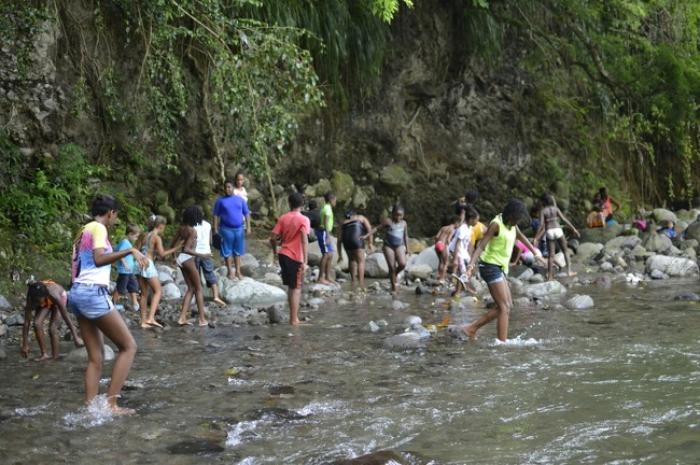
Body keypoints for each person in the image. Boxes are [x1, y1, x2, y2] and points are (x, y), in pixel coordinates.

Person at [68, 194, 148, 415]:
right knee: (129, 346)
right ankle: (111, 405)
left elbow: (79, 265)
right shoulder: (99, 228)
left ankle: (90, 408)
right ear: (111, 213)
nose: (115, 220)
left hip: (77, 292)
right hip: (92, 293)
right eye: (116, 216)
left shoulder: (83, 229)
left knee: (96, 358)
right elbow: (99, 259)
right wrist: (130, 250)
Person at [462, 199, 542, 342]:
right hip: (489, 266)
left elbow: (521, 237)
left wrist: (535, 253)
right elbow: (481, 246)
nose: (518, 221)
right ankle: (502, 343)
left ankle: (471, 328)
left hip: (499, 267)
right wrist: (470, 266)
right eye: (517, 218)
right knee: (504, 307)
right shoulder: (496, 224)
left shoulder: (513, 225)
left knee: (507, 305)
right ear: (510, 215)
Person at [270, 192, 310, 326]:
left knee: (291, 287)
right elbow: (304, 240)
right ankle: (294, 319)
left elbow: (273, 237)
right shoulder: (304, 220)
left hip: (283, 254)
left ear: (289, 203)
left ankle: (293, 317)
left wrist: (275, 251)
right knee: (296, 287)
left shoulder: (283, 218)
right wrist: (305, 261)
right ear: (302, 204)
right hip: (295, 256)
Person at [21, 280, 84, 361]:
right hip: (46, 300)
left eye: (39, 301)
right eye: (36, 302)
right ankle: (44, 354)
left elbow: (65, 315)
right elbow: (26, 322)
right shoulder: (31, 297)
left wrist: (75, 337)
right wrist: (25, 344)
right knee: (37, 323)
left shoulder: (53, 294)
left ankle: (55, 356)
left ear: (45, 296)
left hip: (60, 296)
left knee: (52, 328)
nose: (38, 305)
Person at [137, 215, 180, 328]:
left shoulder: (143, 235)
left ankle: (143, 321)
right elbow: (162, 254)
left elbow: (136, 249)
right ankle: (151, 318)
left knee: (144, 294)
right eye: (164, 227)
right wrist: (175, 249)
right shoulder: (156, 238)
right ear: (160, 226)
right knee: (158, 291)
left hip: (139, 263)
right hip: (148, 265)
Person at [172, 206, 212, 327]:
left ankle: (182, 318)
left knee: (191, 288)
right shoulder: (192, 231)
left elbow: (173, 244)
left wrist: (174, 258)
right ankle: (202, 319)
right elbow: (186, 249)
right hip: (188, 259)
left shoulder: (181, 229)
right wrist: (202, 255)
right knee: (199, 289)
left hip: (181, 259)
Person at [534, 194, 580, 280]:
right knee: (565, 251)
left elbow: (541, 225)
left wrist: (536, 238)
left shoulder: (543, 211)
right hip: (558, 230)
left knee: (551, 256)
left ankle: (550, 276)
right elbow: (564, 219)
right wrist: (574, 229)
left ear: (543, 202)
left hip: (549, 231)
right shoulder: (556, 209)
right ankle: (569, 271)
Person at [213, 180, 251, 280]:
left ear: (233, 188)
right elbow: (215, 215)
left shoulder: (240, 200)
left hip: (239, 229)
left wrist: (248, 227)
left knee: (238, 252)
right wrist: (215, 229)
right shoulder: (220, 201)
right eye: (226, 187)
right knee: (227, 252)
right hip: (225, 229)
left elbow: (246, 213)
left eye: (229, 187)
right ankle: (230, 272)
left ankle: (238, 272)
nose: (227, 189)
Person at [368, 204, 409, 294]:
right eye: (396, 215)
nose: (398, 217)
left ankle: (394, 274)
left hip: (399, 245)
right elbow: (376, 229)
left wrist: (407, 248)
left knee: (402, 264)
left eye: (400, 215)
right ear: (392, 214)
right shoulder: (388, 221)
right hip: (388, 246)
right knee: (391, 266)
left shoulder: (404, 223)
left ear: (403, 215)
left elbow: (405, 236)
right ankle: (394, 287)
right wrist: (367, 235)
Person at [194, 210, 226, 307]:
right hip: (207, 253)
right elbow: (210, 241)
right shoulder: (208, 225)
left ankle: (198, 296)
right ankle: (215, 296)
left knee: (196, 275)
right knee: (210, 274)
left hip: (195, 253)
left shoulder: (192, 225)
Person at [449, 206, 478, 296]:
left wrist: (469, 255)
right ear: (471, 219)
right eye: (476, 220)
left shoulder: (470, 228)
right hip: (457, 251)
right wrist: (455, 258)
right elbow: (457, 243)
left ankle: (460, 289)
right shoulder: (463, 228)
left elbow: (467, 244)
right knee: (463, 272)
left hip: (463, 252)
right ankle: (458, 292)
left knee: (470, 268)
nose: (477, 222)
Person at [340, 210, 373, 289]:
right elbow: (369, 229)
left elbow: (339, 239)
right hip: (357, 240)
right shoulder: (361, 217)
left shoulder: (343, 222)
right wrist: (370, 243)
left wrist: (339, 254)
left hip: (346, 241)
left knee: (351, 260)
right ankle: (361, 282)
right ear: (355, 214)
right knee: (361, 261)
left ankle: (353, 281)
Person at [112, 224, 141, 312]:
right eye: (136, 237)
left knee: (133, 285)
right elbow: (120, 253)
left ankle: (135, 303)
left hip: (129, 271)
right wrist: (125, 263)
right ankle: (113, 303)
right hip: (124, 271)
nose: (136, 239)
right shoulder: (125, 242)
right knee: (120, 287)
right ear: (130, 234)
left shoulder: (127, 243)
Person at [316, 192, 337, 285]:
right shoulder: (327, 209)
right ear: (331, 200)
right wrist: (328, 236)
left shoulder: (326, 207)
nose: (335, 202)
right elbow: (325, 223)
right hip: (323, 232)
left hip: (325, 232)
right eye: (335, 200)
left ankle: (328, 276)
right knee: (326, 254)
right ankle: (321, 277)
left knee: (330, 254)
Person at [433, 216, 460, 282]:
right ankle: (442, 278)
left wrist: (436, 243)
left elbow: (436, 237)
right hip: (443, 245)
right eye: (459, 224)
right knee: (446, 263)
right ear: (456, 222)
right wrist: (449, 248)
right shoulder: (452, 229)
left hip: (437, 244)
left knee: (440, 262)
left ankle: (438, 276)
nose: (458, 226)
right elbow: (448, 240)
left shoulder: (443, 227)